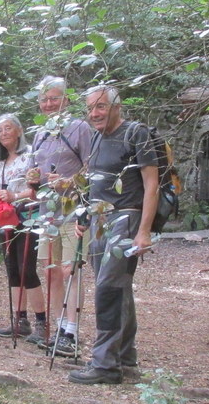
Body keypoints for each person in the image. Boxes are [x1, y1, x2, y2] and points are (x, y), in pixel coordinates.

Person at [68, 84, 159, 385]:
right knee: (119, 289)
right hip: (99, 220)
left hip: (126, 218)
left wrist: (144, 231)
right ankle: (124, 356)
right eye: (91, 108)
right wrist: (83, 213)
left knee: (108, 289)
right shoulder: (95, 137)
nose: (95, 113)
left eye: (101, 107)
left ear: (116, 107)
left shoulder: (136, 134)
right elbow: (92, 181)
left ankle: (105, 364)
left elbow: (151, 185)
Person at [27, 75, 94, 354]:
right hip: (47, 214)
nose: (49, 104)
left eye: (54, 98)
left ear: (66, 100)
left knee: (70, 271)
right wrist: (33, 179)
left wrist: (68, 182)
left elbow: (93, 169)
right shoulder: (40, 133)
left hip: (72, 210)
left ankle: (72, 332)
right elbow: (35, 173)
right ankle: (57, 327)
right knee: (51, 271)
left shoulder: (79, 128)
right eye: (44, 99)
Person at [0, 115, 46, 340]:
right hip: (8, 219)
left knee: (27, 268)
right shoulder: (2, 162)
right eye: (0, 130)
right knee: (12, 268)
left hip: (29, 216)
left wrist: (16, 195)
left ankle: (42, 323)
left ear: (19, 131)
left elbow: (38, 189)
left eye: (8, 129)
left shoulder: (31, 155)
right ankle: (20, 320)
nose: (4, 133)